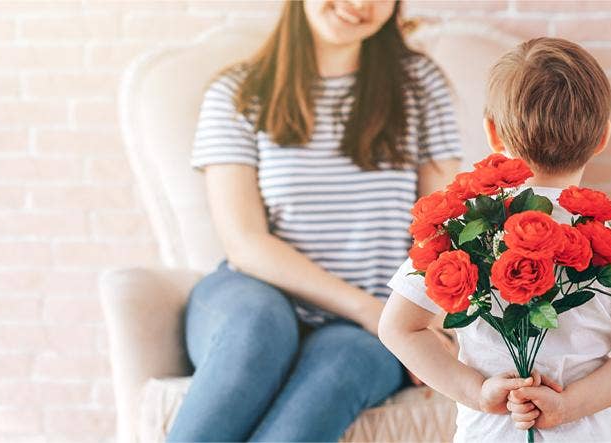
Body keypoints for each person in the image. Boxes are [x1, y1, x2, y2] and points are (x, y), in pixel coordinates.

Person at [168, 0, 460, 441]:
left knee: (344, 365)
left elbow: (441, 231)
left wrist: (418, 322)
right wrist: (369, 310)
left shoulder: (419, 87)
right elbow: (245, 244)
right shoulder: (237, 93)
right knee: (257, 330)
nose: (360, 4)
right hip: (256, 295)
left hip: (367, 328)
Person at [379, 37, 611, 442]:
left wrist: (478, 392)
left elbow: (398, 328)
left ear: (492, 134)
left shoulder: (465, 230)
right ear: (603, 138)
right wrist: (571, 404)